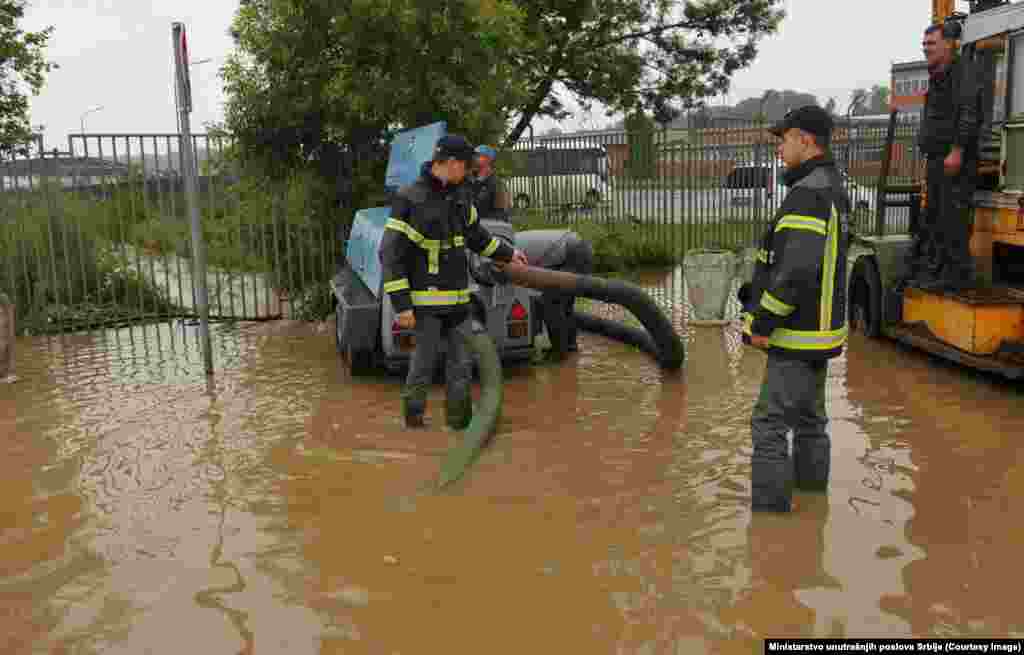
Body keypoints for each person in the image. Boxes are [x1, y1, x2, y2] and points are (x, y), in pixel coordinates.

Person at [738, 105, 851, 513]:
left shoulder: (808, 193)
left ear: (805, 139)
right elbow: (805, 263)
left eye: (783, 139)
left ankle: (769, 534)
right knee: (809, 422)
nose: (779, 148)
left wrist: (762, 321)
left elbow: (797, 272)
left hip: (795, 334)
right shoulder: (831, 185)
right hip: (820, 333)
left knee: (768, 426)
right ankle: (812, 509)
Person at [380, 134, 528, 429]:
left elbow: (477, 238)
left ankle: (459, 424)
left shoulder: (461, 195)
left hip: (459, 302)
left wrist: (509, 253)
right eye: (466, 167)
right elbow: (390, 254)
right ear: (449, 163)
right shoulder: (410, 198)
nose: (470, 173)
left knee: (460, 366)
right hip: (425, 305)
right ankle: (414, 424)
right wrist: (402, 306)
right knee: (422, 366)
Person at [905, 22, 983, 290]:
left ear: (949, 44)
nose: (925, 49)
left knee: (952, 216)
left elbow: (968, 113)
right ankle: (937, 272)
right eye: (924, 44)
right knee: (935, 215)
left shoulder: (964, 73)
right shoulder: (937, 75)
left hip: (955, 160)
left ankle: (957, 275)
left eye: (931, 44)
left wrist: (958, 151)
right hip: (938, 158)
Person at [469, 145, 512, 223]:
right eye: (474, 156)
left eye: (477, 156)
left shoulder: (497, 184)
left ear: (488, 159)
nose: (473, 158)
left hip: (490, 229)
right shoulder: (472, 181)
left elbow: (502, 214)